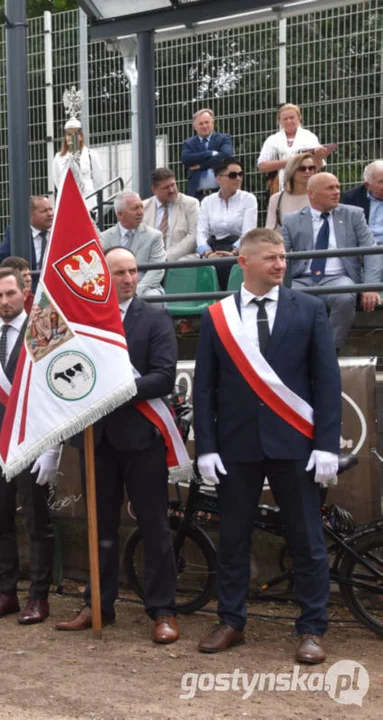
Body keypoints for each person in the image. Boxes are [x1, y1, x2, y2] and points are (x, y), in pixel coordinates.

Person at [194, 228, 341, 665]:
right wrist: (207, 447)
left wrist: (326, 444)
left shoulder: (310, 308)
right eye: (271, 258)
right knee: (234, 538)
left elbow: (326, 383)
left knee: (307, 540)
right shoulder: (216, 316)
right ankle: (231, 621)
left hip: (295, 443)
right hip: (236, 446)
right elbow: (205, 388)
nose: (281, 264)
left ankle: (312, 627)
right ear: (244, 261)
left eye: (283, 257)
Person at [55, 248, 180, 643]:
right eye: (119, 272)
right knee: (99, 528)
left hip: (142, 440)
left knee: (155, 527)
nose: (127, 278)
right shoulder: (82, 322)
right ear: (102, 277)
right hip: (96, 440)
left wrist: (114, 390)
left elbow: (163, 376)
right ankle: (98, 605)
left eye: (132, 271)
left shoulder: (154, 318)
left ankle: (162, 610)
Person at [0, 268, 58, 624]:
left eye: (10, 294)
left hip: (32, 444)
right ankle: (6, 593)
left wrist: (53, 446)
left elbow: (54, 391)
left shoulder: (44, 330)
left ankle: (39, 596)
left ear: (23, 294)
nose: (4, 301)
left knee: (37, 525)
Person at [280, 172, 380, 351]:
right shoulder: (292, 219)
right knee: (287, 298)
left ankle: (329, 352)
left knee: (344, 297)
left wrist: (370, 286)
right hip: (302, 278)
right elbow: (280, 253)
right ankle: (299, 352)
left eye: (337, 187)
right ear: (311, 193)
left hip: (340, 277)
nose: (336, 192)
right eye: (330, 188)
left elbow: (371, 250)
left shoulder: (354, 214)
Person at [197, 158, 258, 288]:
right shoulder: (207, 201)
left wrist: (233, 252)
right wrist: (208, 253)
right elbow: (201, 232)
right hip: (214, 250)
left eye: (241, 174)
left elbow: (249, 232)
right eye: (233, 175)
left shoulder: (249, 199)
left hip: (239, 251)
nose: (238, 178)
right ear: (219, 178)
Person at [257, 104, 334, 193]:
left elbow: (319, 166)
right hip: (280, 187)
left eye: (292, 117)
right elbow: (262, 166)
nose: (289, 121)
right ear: (279, 121)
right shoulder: (272, 140)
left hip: (306, 186)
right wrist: (292, 162)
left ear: (299, 118)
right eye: (285, 119)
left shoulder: (309, 137)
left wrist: (319, 156)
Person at [99, 192, 165, 295]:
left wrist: (136, 290)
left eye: (141, 207)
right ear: (120, 215)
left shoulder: (154, 236)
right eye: (135, 209)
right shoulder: (104, 238)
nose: (140, 212)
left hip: (144, 288)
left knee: (152, 296)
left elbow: (157, 269)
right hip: (113, 289)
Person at [0, 196, 55, 274]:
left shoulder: (60, 231)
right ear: (30, 215)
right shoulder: (17, 233)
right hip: (30, 283)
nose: (50, 214)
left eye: (50, 209)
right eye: (44, 211)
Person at [142, 168, 200, 261]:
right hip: (150, 261)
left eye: (173, 185)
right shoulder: (143, 207)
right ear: (154, 190)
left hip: (181, 260)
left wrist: (166, 257)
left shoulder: (190, 204)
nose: (172, 190)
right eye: (166, 188)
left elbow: (194, 236)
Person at [180, 109, 234, 199]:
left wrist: (201, 166)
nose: (204, 126)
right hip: (197, 196)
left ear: (213, 123)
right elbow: (186, 158)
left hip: (221, 192)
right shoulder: (189, 143)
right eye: (200, 124)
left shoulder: (223, 138)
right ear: (194, 126)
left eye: (207, 122)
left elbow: (226, 156)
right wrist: (208, 153)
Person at [50, 122, 104, 212]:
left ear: (81, 136)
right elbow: (58, 182)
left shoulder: (91, 155)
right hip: (69, 201)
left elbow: (99, 181)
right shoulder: (58, 158)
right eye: (68, 134)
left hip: (89, 202)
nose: (71, 138)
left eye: (75, 134)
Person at [264, 153, 315, 230]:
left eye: (311, 168)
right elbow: (269, 229)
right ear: (292, 171)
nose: (307, 171)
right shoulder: (276, 199)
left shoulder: (318, 196)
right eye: (302, 168)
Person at [342, 160, 383, 246]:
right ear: (367, 185)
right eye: (381, 181)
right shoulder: (352, 197)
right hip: (364, 249)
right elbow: (344, 229)